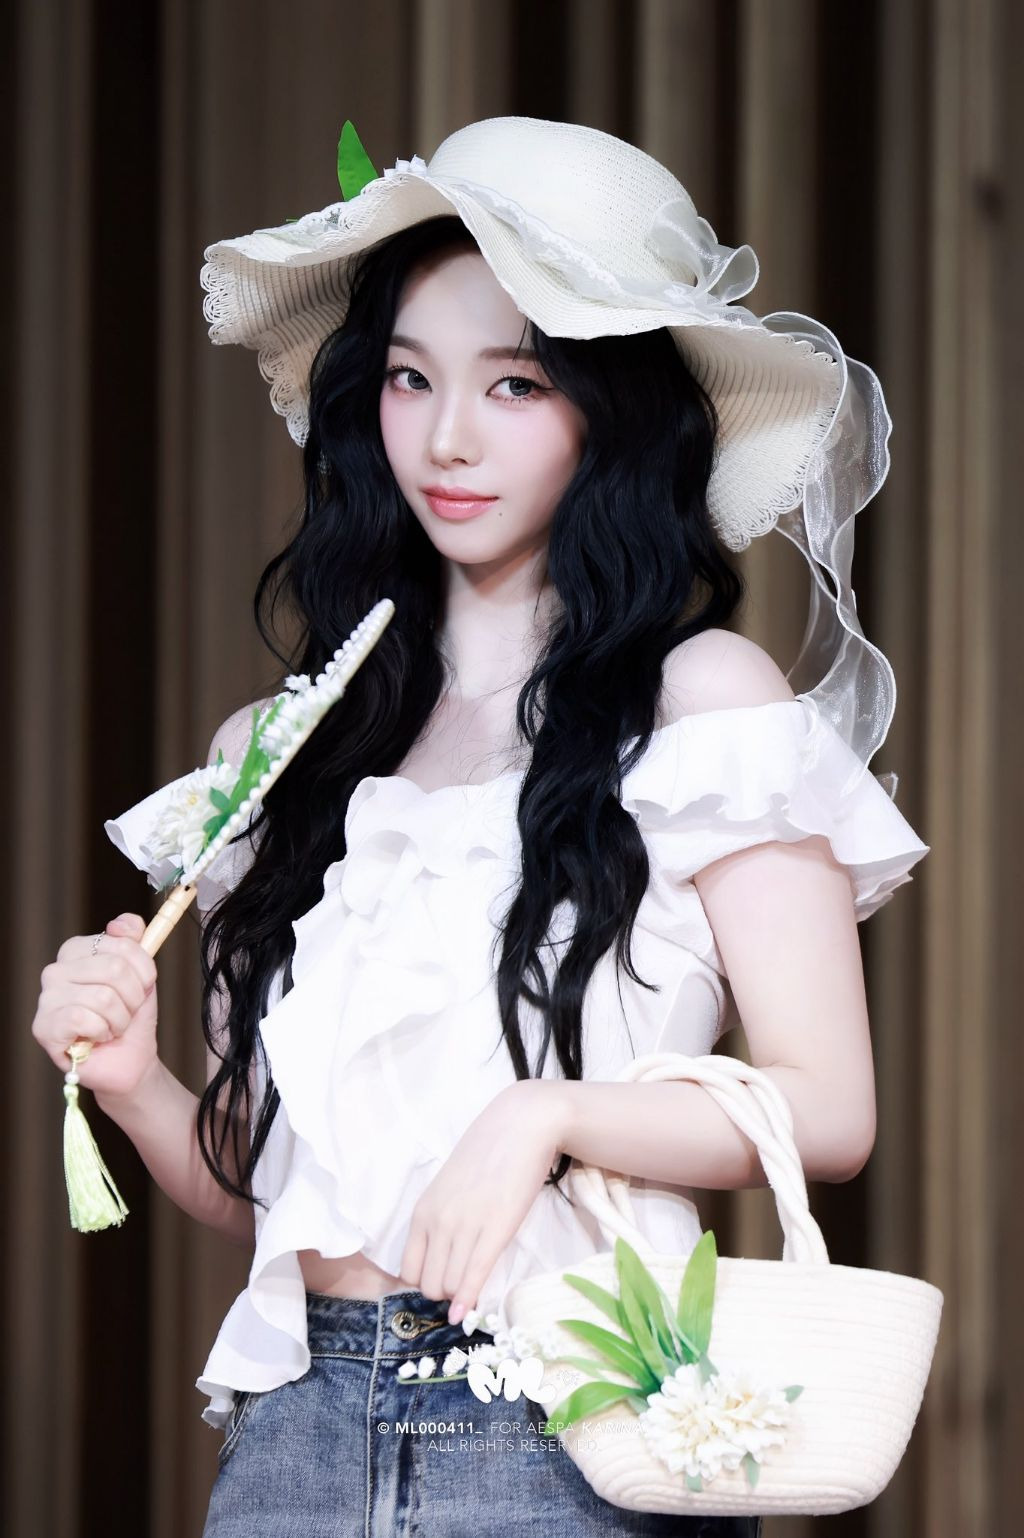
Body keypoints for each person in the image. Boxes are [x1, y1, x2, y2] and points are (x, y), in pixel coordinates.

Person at [31, 117, 929, 1536]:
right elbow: (258, 1188)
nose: (445, 436)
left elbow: (829, 1111)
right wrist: (139, 1082)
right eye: (410, 377)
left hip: (574, 1429)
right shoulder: (285, 743)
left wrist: (547, 1115)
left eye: (515, 382)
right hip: (297, 1438)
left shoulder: (704, 700)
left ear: (612, 410)